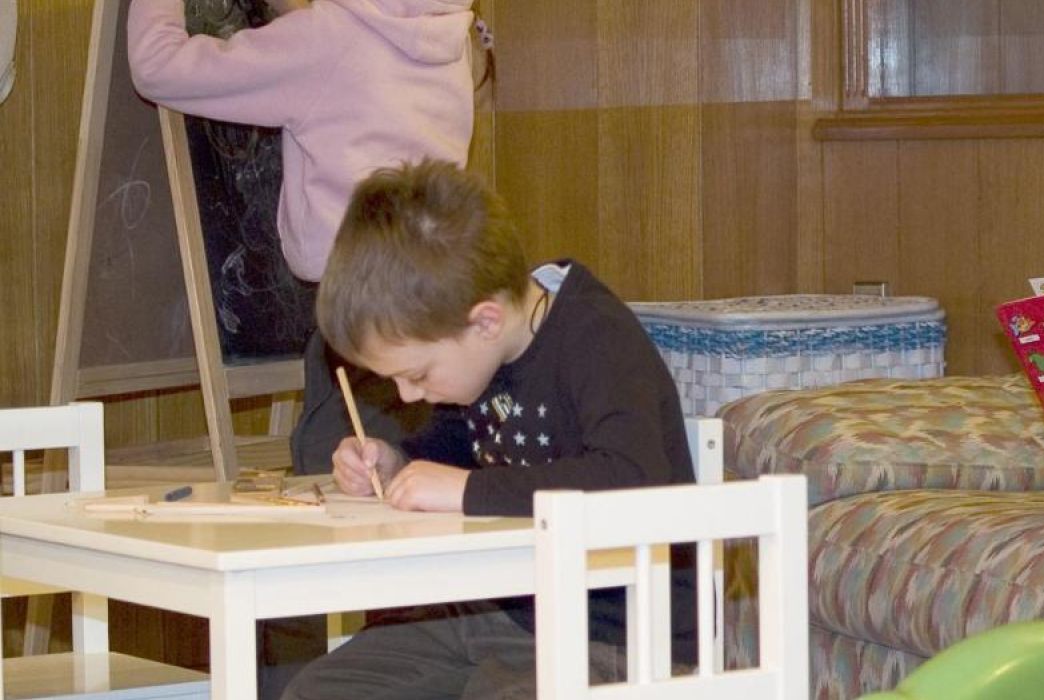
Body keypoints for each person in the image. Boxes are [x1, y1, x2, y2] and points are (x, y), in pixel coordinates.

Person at [126, 3, 481, 693]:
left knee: (307, 546)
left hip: (361, 326)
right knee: (405, 545)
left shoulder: (329, 37)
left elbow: (159, 67)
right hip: (440, 317)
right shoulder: (444, 28)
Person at [280, 159, 696, 698]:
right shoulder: (479, 358)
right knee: (319, 691)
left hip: (616, 632)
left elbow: (633, 478)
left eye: (417, 375)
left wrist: (465, 490)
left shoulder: (597, 339)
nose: (407, 396)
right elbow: (461, 447)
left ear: (485, 321)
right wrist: (396, 463)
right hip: (500, 610)